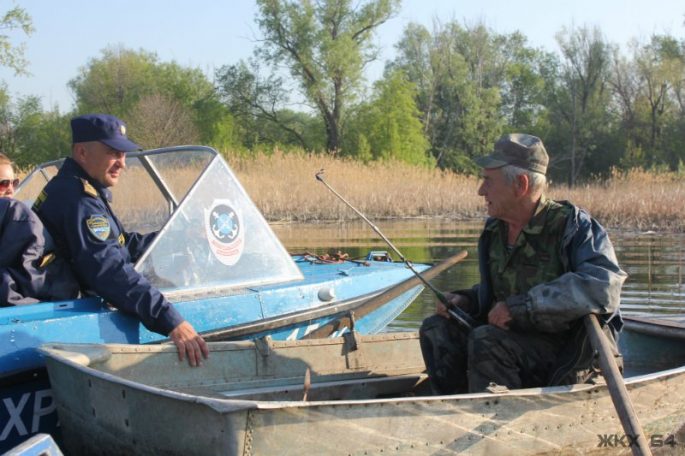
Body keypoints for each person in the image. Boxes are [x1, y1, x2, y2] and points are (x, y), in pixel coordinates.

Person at [419, 133, 627, 394]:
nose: (480, 191)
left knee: (487, 340)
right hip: (511, 343)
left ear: (520, 184)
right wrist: (467, 301)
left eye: (488, 181)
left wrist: (523, 307)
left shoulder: (574, 227)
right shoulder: (495, 230)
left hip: (568, 354)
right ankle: (454, 413)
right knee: (436, 329)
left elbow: (604, 286)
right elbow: (498, 294)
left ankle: (493, 420)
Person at [32, 114, 209, 367]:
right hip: (70, 315)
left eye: (124, 154)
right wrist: (171, 320)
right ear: (82, 153)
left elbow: (120, 245)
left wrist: (175, 239)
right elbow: (109, 271)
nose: (122, 164)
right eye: (113, 153)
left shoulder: (78, 188)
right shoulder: (79, 200)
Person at [1, 154, 79, 305]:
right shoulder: (18, 216)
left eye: (14, 182)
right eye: (3, 184)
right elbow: (33, 280)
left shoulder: (18, 216)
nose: (10, 189)